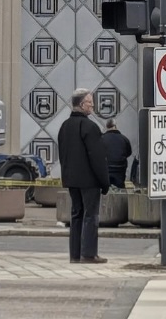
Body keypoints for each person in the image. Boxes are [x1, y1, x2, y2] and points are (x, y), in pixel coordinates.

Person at [55, 88, 111, 264]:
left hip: (72, 179)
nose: (92, 106)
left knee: (76, 215)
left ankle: (75, 254)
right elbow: (97, 157)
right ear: (81, 105)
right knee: (90, 215)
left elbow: (63, 154)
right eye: (89, 102)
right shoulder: (90, 127)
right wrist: (104, 181)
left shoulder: (64, 127)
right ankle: (88, 254)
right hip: (89, 180)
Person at [102, 119, 132, 190]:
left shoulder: (101, 138)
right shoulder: (124, 139)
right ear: (115, 126)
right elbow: (129, 152)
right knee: (120, 190)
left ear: (106, 127)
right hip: (120, 169)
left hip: (105, 169)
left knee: (105, 191)